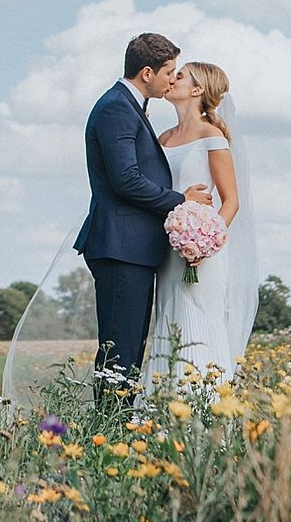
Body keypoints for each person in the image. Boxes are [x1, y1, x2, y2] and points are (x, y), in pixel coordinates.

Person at [72, 34, 213, 403]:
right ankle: (107, 435)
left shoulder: (128, 106)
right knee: (119, 355)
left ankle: (115, 430)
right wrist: (180, 201)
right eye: (168, 72)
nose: (172, 79)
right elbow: (126, 179)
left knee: (129, 350)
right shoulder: (116, 108)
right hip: (121, 246)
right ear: (147, 72)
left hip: (132, 247)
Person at [141, 62, 258, 394]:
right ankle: (162, 413)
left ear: (197, 90)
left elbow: (231, 200)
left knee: (200, 322)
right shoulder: (162, 139)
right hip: (168, 249)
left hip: (203, 255)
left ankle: (205, 413)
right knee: (168, 319)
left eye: (180, 76)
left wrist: (205, 243)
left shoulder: (212, 136)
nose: (172, 79)